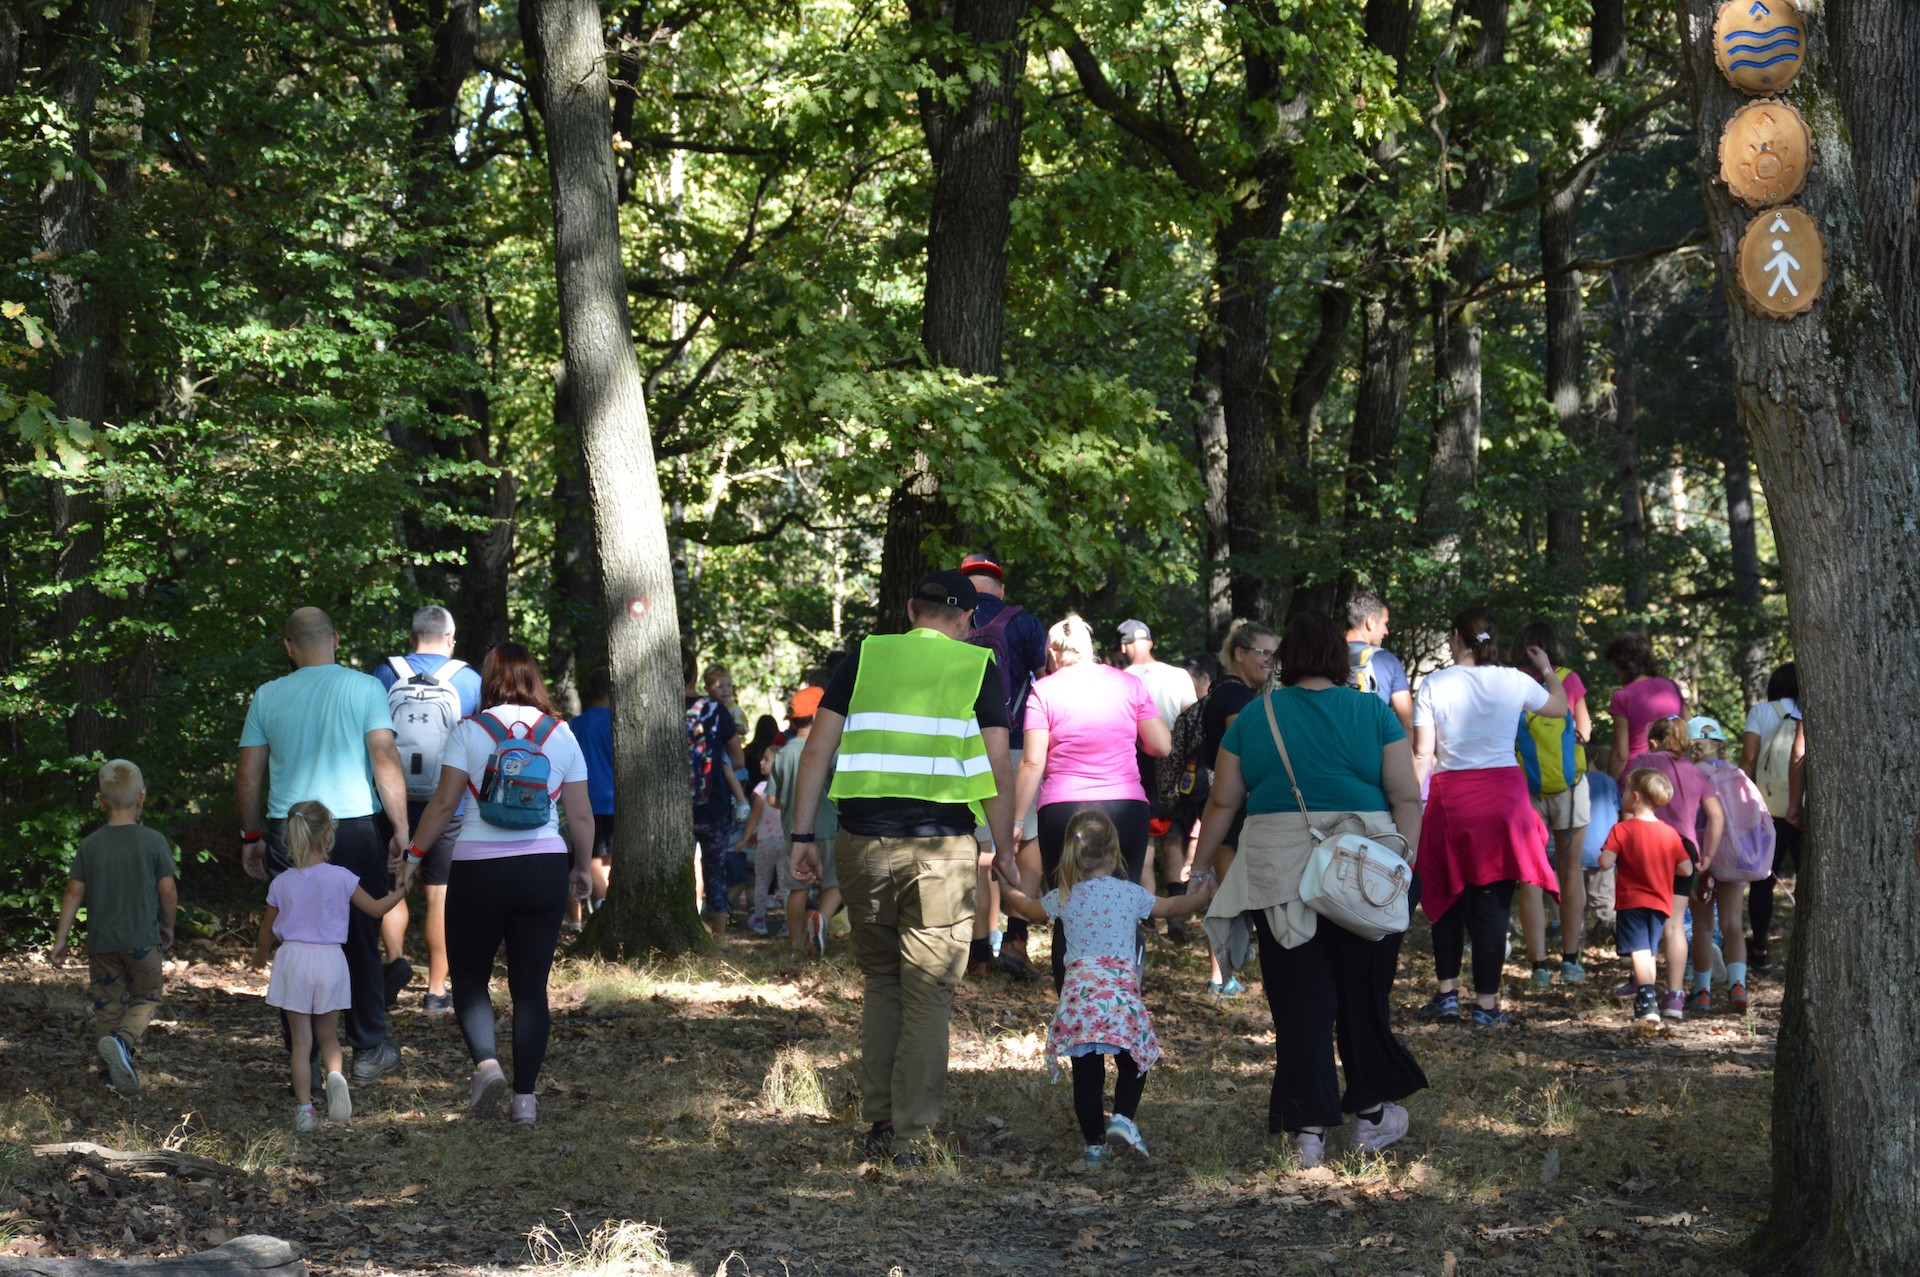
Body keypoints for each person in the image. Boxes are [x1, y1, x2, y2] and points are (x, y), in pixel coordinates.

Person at [784, 570, 1018, 1163]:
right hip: (941, 850)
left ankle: (880, 1121)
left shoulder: (865, 657)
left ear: (912, 607)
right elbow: (996, 762)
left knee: (884, 981)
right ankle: (914, 1134)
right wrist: (1007, 848)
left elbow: (818, 748)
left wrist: (803, 834)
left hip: (861, 846)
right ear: (968, 621)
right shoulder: (976, 667)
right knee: (929, 993)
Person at [1197, 611, 1428, 1168]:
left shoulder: (1256, 716)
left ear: (1287, 659)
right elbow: (1405, 795)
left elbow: (1225, 800)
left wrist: (1201, 864)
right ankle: (1371, 1115)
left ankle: (1307, 1132)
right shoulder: (1373, 712)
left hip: (1279, 870)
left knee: (1300, 1000)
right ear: (1337, 657)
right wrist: (1404, 860)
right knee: (1363, 995)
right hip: (1365, 868)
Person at [402, 643, 594, 1123]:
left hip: (477, 868)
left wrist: (413, 857)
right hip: (542, 867)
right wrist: (582, 866)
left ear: (488, 679)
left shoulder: (469, 730)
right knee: (531, 990)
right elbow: (581, 814)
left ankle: (487, 1067)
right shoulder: (562, 734)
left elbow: (444, 805)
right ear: (535, 679)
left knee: (469, 978)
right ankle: (525, 1101)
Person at [236, 607, 412, 1081]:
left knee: (296, 939)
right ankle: (367, 1048)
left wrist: (251, 835)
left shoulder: (268, 696)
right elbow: (384, 756)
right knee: (360, 939)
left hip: (288, 829)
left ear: (288, 647)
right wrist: (401, 830)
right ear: (335, 639)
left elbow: (250, 773)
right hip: (353, 828)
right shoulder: (365, 688)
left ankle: (306, 1060)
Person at [999, 810, 1215, 1166]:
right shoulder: (1129, 894)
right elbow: (1173, 905)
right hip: (1118, 998)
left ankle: (1094, 1147)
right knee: (1134, 1062)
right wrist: (1203, 895)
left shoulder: (1063, 897)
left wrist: (1007, 887)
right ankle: (1123, 1119)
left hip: (1080, 1000)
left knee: (1086, 1077)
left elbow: (1025, 906)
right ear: (1114, 854)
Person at [1411, 606, 1567, 1027]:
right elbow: (1558, 707)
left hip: (1452, 799)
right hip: (1503, 802)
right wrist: (1547, 668)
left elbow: (1424, 754)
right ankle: (1486, 1006)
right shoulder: (1514, 680)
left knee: (1446, 896)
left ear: (1457, 638)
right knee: (1493, 906)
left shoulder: (1434, 683)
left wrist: (1407, 804)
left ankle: (1446, 994)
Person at [1009, 615, 1173, 990]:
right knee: (1124, 907)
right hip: (1125, 807)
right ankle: (1123, 1000)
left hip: (1063, 811)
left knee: (1067, 909)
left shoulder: (1044, 691)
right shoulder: (1128, 684)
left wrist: (1016, 823)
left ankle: (1076, 1007)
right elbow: (1161, 744)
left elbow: (1033, 762)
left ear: (1052, 652)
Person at [252, 802, 409, 1131]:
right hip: (331, 960)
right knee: (328, 1035)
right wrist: (402, 888)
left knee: (301, 1041)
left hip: (294, 960)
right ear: (327, 837)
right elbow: (377, 908)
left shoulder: (281, 882)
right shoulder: (342, 878)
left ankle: (305, 1110)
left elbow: (267, 928)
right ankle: (336, 1076)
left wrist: (259, 957)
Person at [371, 605, 482, 1011]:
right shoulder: (469, 680)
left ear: (412, 635)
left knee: (393, 888)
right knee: (441, 897)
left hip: (391, 802)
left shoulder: (384, 674)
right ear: (450, 639)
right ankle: (436, 991)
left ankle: (394, 967)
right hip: (448, 806)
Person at [49, 759, 178, 1096]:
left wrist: (61, 938)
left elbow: (74, 892)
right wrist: (168, 925)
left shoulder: (90, 845)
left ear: (100, 801)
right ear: (142, 799)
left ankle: (109, 1075)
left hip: (102, 943)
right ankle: (122, 1042)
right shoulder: (153, 841)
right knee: (147, 995)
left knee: (108, 1004)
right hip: (142, 941)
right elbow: (167, 890)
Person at [959, 554, 1048, 982]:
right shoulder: (1025, 623)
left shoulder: (951, 618)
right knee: (1027, 841)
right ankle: (1015, 938)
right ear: (1001, 588)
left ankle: (976, 952)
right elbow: (1042, 681)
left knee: (977, 853)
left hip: (964, 748)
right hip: (1014, 744)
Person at [1623, 715, 1727, 1021]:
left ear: (1654, 741)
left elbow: (1629, 804)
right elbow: (1716, 817)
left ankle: (1645, 992)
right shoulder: (1696, 772)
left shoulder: (1643, 760)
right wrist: (1707, 855)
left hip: (1646, 846)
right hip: (1685, 849)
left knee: (1644, 921)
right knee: (1676, 924)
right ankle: (1676, 996)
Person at [1510, 621, 1593, 987]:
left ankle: (1539, 966)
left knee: (1530, 876)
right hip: (1569, 788)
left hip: (1523, 790)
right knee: (1570, 871)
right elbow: (1585, 731)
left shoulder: (1509, 681)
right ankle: (1571, 960)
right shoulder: (1568, 679)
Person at [1198, 620, 1279, 996]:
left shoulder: (1227, 692)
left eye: (1274, 655)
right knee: (1232, 891)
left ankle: (1224, 973)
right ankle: (1221, 975)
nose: (1270, 661)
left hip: (1228, 804)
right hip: (1233, 806)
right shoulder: (1237, 700)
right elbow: (1245, 752)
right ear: (1240, 654)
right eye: (1263, 653)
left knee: (1230, 889)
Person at [1596, 769, 1695, 1029]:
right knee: (1648, 951)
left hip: (1632, 901)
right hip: (1661, 903)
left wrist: (1609, 855)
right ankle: (1648, 1001)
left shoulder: (1622, 830)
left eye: (1627, 791)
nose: (1624, 795)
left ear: (1636, 797)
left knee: (1639, 951)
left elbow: (1606, 862)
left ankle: (1648, 999)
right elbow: (1686, 869)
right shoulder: (1670, 833)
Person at [1117, 619, 1200, 922]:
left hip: (1137, 761)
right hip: (1177, 763)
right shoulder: (1178, 675)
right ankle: (1176, 908)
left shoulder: (1121, 678)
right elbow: (1193, 718)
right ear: (1150, 642)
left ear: (1125, 646)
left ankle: (1150, 914)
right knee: (1174, 836)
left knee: (1145, 839)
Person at [1685, 719, 1756, 1014]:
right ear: (1721, 745)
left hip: (1700, 855)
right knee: (1732, 924)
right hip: (1734, 856)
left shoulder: (1689, 775)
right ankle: (1737, 985)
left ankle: (1702, 991)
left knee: (1702, 926)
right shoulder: (1736, 774)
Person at [768, 685, 840, 957]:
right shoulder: (830, 751)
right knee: (835, 883)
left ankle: (796, 944)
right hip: (828, 828)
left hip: (794, 833)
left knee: (797, 888)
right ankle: (821, 919)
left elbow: (772, 800)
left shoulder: (784, 753)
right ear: (818, 716)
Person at [1741, 663, 1802, 970]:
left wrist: (1746, 801)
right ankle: (1807, 949)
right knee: (1812, 881)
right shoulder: (1812, 709)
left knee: (1763, 881)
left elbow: (1749, 758)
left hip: (1769, 809)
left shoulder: (1761, 713)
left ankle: (1761, 949)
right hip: (1806, 807)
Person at [686, 656, 750, 939]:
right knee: (715, 872)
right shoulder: (715, 710)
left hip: (675, 808)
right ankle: (720, 939)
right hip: (713, 803)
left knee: (680, 870)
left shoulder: (656, 708)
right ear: (696, 675)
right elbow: (738, 759)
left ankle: (688, 928)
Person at [569, 667, 615, 929]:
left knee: (594, 858)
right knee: (605, 859)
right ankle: (603, 909)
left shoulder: (578, 723)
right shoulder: (618, 722)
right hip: (615, 801)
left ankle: (602, 909)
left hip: (585, 801)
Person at [1604, 633, 1685, 780]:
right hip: (1673, 773)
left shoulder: (1622, 697)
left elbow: (1620, 755)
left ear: (1623, 664)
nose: (1614, 671)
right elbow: (1689, 726)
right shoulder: (1671, 687)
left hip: (1637, 777)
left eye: (1615, 665)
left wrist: (1609, 783)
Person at [1345, 590, 1415, 735]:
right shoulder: (1387, 661)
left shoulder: (1324, 658)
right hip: (1373, 750)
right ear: (1370, 622)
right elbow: (1407, 722)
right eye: (1384, 624)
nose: (1386, 631)